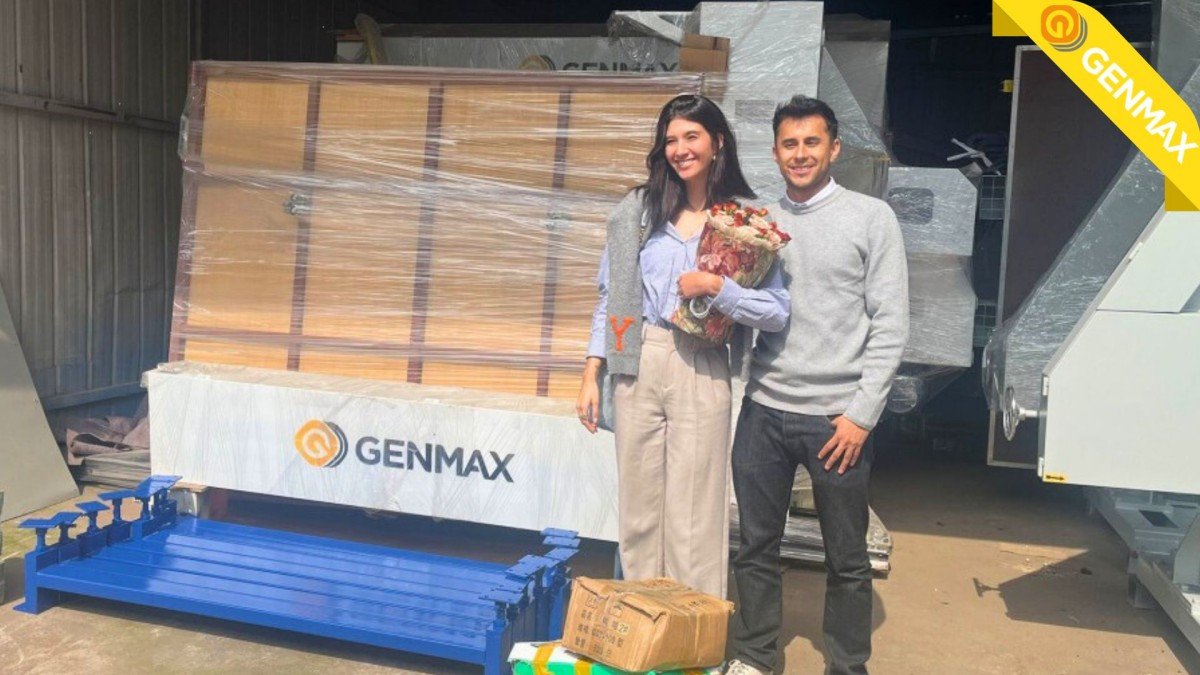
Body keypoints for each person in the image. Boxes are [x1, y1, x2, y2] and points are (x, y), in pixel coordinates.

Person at [575, 94, 789, 599]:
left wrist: (721, 289)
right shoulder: (639, 210)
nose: (679, 148)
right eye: (670, 139)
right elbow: (610, 297)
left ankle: (695, 640)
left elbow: (777, 311)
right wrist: (591, 372)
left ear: (717, 143)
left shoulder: (745, 222)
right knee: (639, 508)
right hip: (638, 358)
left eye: (691, 136)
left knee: (695, 513)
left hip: (702, 362)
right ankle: (645, 626)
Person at [725, 95, 909, 675]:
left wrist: (861, 415)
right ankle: (756, 656)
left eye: (811, 142)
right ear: (776, 152)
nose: (800, 154)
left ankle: (847, 664)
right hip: (764, 410)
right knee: (755, 548)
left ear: (834, 148)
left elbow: (891, 322)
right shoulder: (759, 224)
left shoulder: (870, 218)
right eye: (789, 144)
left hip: (838, 420)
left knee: (847, 559)